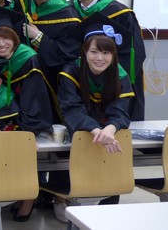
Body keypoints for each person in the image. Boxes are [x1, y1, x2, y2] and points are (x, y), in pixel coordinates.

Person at [50, 14, 135, 220]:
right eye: (94, 51)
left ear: (114, 54)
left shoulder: (120, 75)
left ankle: (108, 210)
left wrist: (110, 128)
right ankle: (65, 202)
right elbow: (72, 108)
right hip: (77, 129)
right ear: (84, 51)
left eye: (106, 52)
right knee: (71, 171)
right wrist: (97, 130)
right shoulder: (71, 71)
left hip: (108, 132)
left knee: (111, 156)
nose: (100, 58)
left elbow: (120, 109)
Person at [69, 0, 146, 121]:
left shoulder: (121, 13)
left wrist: (104, 77)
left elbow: (134, 53)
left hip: (112, 85)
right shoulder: (68, 11)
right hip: (79, 84)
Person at [0, 6, 54, 135]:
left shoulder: (29, 60)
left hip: (27, 126)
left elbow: (34, 102)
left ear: (14, 37)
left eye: (6, 38)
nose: (1, 44)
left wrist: (16, 127)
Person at [12, 0, 81, 95]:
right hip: (23, 73)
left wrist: (39, 37)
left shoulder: (68, 15)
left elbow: (68, 53)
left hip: (54, 77)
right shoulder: (21, 4)